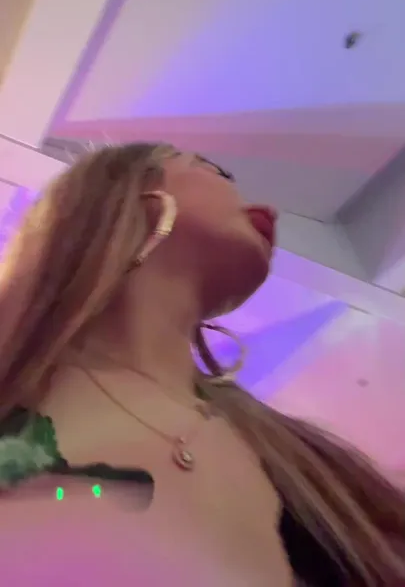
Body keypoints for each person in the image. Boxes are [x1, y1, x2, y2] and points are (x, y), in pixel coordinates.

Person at [0, 142, 403, 586]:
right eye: (215, 171)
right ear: (128, 194)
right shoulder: (15, 387)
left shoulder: (311, 469)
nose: (270, 209)